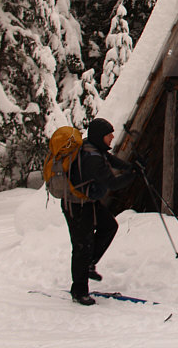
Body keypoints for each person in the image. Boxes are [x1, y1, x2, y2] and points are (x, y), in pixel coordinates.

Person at [62, 118, 136, 305]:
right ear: (99, 136)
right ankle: (79, 291)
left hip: (87, 202)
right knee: (81, 246)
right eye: (108, 134)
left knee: (109, 226)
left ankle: (89, 264)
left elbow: (111, 159)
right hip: (76, 205)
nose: (112, 137)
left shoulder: (93, 148)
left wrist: (130, 167)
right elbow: (112, 183)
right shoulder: (92, 159)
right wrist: (132, 176)